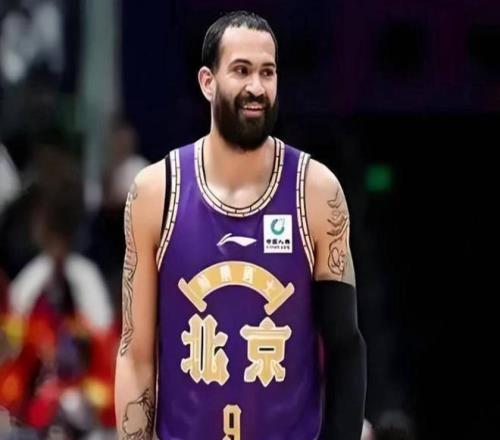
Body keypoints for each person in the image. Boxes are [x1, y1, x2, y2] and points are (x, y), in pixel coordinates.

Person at [115, 10, 366, 440]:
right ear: (207, 82)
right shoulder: (156, 192)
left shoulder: (316, 192)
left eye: (267, 72)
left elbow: (344, 348)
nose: (256, 87)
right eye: (241, 70)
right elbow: (135, 354)